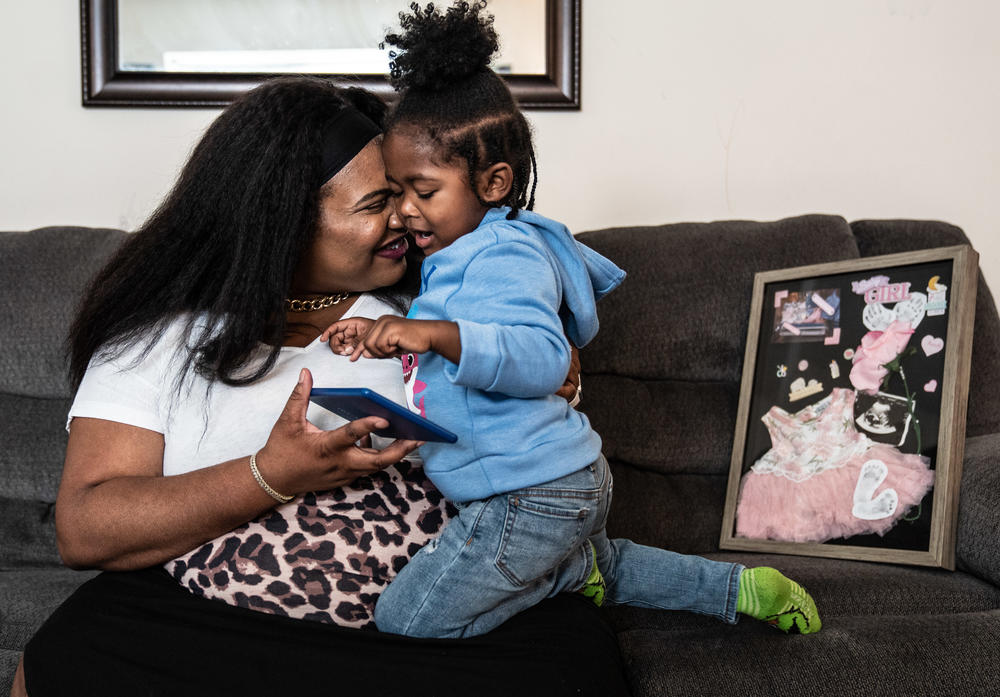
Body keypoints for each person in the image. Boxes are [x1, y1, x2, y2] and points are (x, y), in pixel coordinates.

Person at [13, 76, 629, 697]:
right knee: (75, 649)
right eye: (373, 205)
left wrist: (539, 354)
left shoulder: (445, 299)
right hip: (220, 619)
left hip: (437, 620)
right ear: (280, 222)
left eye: (405, 193)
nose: (405, 216)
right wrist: (271, 474)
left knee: (567, 665)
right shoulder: (158, 338)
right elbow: (87, 527)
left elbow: (533, 365)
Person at [323, 0, 822, 640]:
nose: (407, 212)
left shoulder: (500, 255)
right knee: (611, 571)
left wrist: (429, 333)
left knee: (407, 620)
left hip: (527, 495)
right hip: (551, 488)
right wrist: (384, 340)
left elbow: (542, 358)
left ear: (495, 182)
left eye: (424, 191)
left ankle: (562, 577)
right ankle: (739, 587)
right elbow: (458, 353)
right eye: (396, 192)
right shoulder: (460, 255)